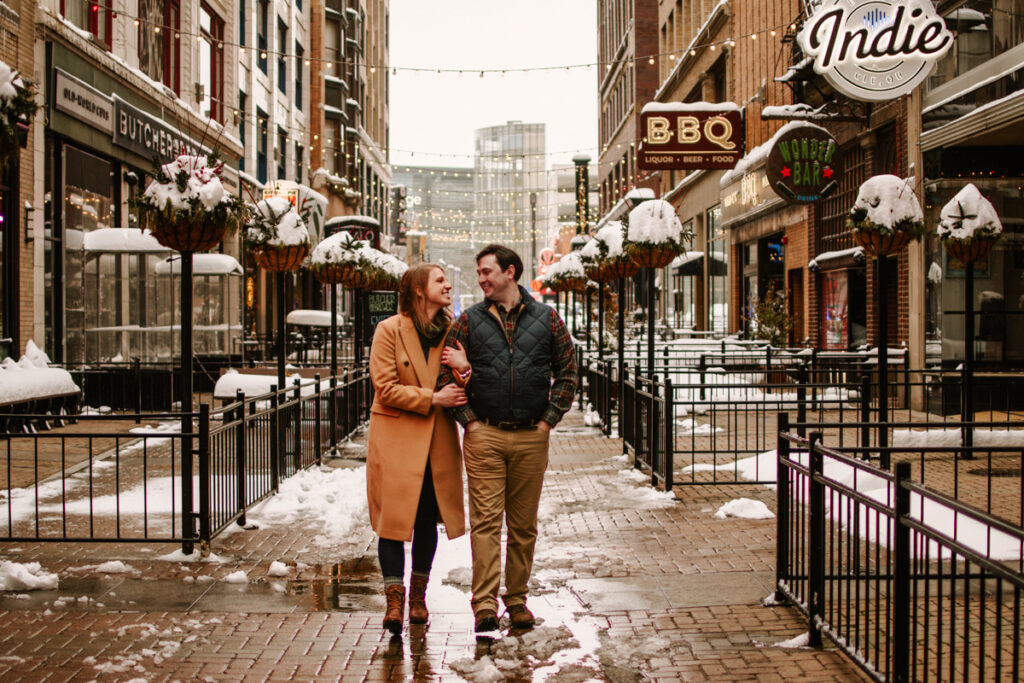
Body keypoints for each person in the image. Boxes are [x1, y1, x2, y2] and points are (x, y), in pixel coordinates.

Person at [438, 244, 578, 632]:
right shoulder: (468, 322)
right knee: (485, 523)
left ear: (510, 272)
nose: (481, 279)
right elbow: (444, 375)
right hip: (485, 436)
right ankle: (484, 603)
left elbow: (568, 372)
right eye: (479, 273)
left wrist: (548, 421)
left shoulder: (547, 320)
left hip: (532, 435)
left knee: (523, 526)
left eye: (487, 272)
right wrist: (470, 422)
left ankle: (516, 600)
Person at [366, 263, 471, 634]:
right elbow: (385, 387)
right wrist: (434, 397)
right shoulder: (389, 330)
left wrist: (465, 369)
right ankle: (394, 598)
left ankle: (418, 597)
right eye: (440, 280)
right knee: (393, 522)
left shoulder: (452, 331)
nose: (448, 285)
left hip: (436, 440)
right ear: (417, 290)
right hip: (396, 437)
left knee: (427, 519)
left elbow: (461, 383)